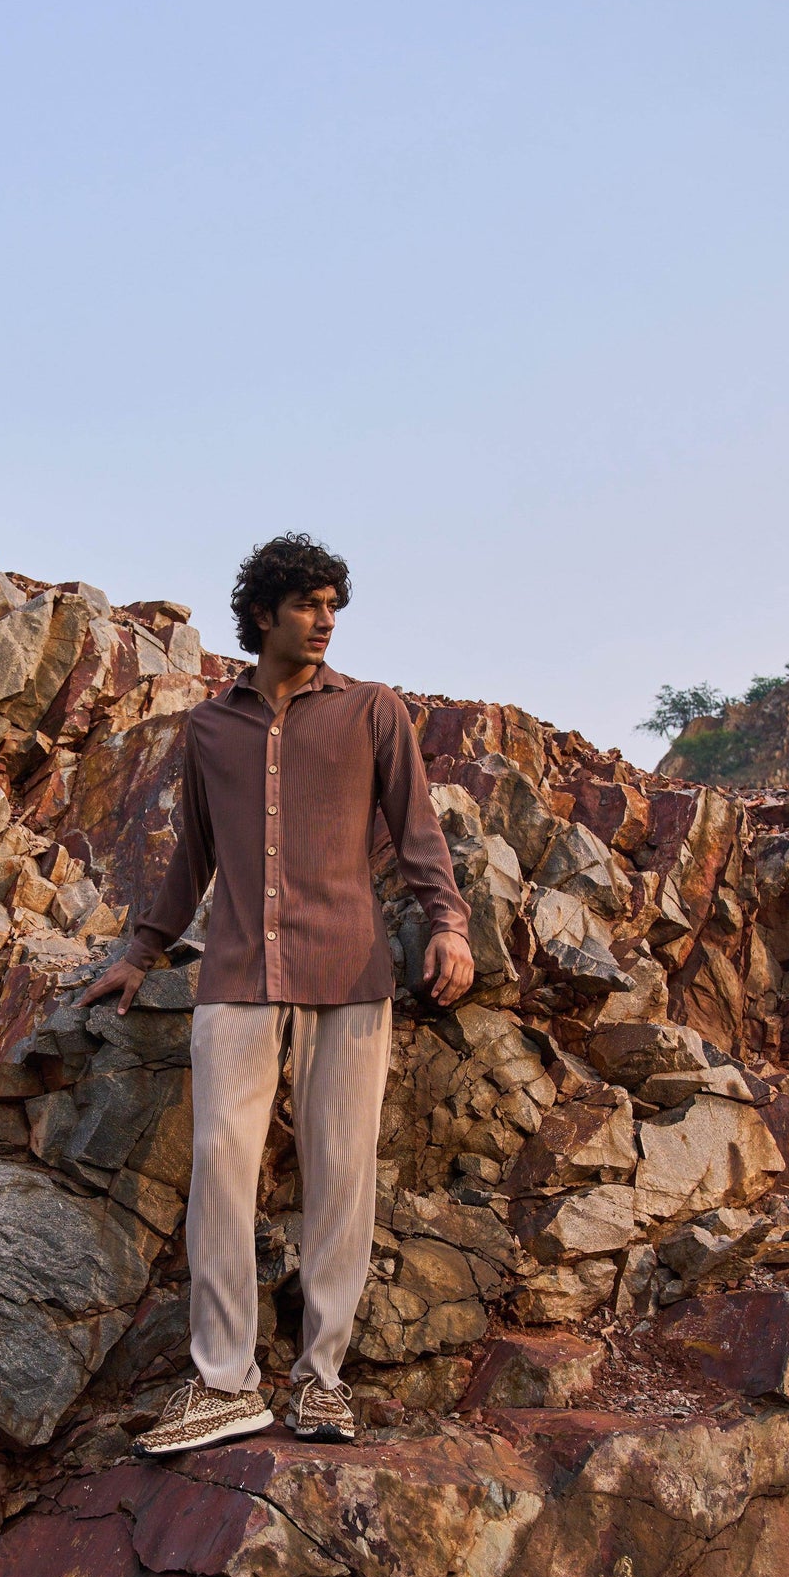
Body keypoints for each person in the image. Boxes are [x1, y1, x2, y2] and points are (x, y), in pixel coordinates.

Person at [81, 533, 475, 1456]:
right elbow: (194, 854)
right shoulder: (208, 728)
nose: (325, 621)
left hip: (348, 971)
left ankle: (321, 1381)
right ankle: (225, 1384)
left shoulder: (373, 710)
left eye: (334, 605)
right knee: (220, 1162)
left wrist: (447, 924)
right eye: (307, 604)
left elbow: (417, 832)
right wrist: (140, 952)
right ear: (262, 614)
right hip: (236, 971)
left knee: (342, 1171)